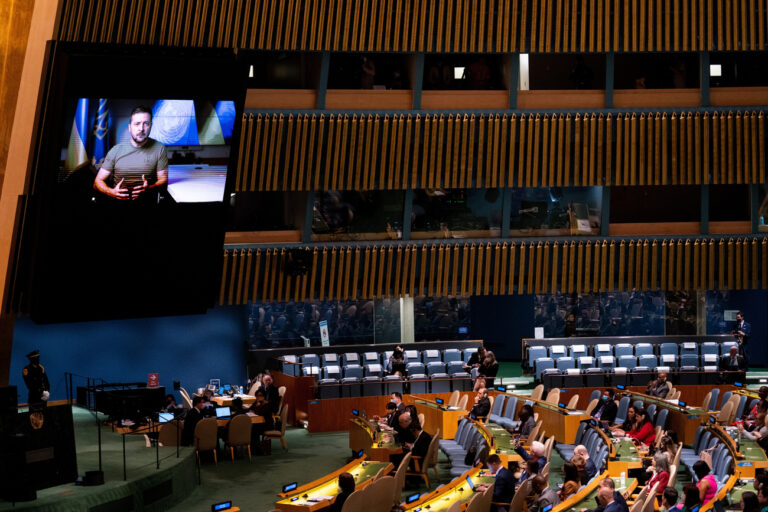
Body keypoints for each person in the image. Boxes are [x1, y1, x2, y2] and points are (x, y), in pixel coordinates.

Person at [93, 105, 168, 201]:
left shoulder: (159, 148)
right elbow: (97, 182)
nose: (141, 128)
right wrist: (111, 192)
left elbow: (163, 179)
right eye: (137, 124)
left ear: (151, 126)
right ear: (130, 127)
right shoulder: (116, 150)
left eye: (146, 123)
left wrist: (149, 188)